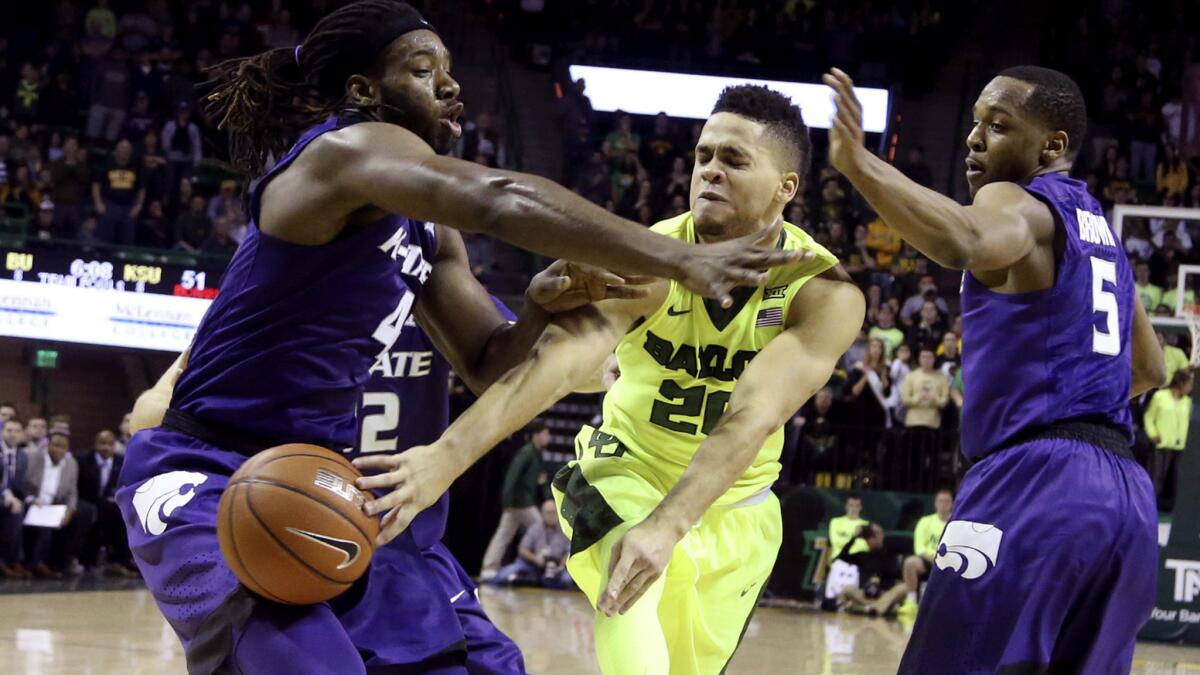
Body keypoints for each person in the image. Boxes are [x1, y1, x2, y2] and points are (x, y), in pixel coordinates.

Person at [114, 3, 798, 673]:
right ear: (362, 91)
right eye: (421, 70)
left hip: (326, 478)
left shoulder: (430, 231)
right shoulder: (341, 153)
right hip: (208, 471)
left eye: (449, 69)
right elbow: (498, 195)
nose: (450, 85)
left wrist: (533, 306)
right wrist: (678, 257)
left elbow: (486, 362)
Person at [357, 84, 864, 674]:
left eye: (734, 159)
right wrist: (444, 458)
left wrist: (671, 524)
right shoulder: (649, 261)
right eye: (704, 156)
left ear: (786, 188)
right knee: (629, 596)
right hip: (622, 471)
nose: (710, 172)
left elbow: (751, 417)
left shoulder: (823, 295)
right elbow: (557, 364)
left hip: (735, 509)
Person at [826, 65, 1165, 673]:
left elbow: (965, 240)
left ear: (1051, 146)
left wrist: (859, 164)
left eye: (999, 126)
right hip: (1125, 497)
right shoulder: (1102, 232)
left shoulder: (1015, 200)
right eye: (976, 122)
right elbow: (1149, 366)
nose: (975, 138)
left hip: (1036, 481)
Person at [480, 420, 551, 580]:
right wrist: (507, 501)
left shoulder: (536, 454)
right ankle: (546, 566)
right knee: (541, 528)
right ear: (536, 435)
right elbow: (512, 476)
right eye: (545, 434)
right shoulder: (526, 453)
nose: (548, 437)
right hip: (521, 503)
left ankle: (488, 568)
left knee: (503, 534)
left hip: (518, 503)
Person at [23, 430, 94, 579]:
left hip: (55, 506)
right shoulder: (33, 458)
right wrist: (31, 499)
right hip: (33, 502)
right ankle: (36, 563)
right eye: (55, 445)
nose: (59, 450)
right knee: (45, 522)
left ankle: (61, 561)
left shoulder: (71, 463)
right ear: (48, 445)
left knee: (85, 512)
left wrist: (70, 511)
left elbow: (72, 493)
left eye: (63, 447)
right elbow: (22, 486)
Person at [77, 430, 136, 577]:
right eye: (102, 443)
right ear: (96, 444)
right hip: (86, 502)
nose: (106, 447)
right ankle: (86, 560)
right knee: (91, 512)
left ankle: (120, 561)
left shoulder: (121, 461)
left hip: (110, 505)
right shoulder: (82, 460)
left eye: (110, 444)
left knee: (120, 513)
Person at [896, 488, 954, 620]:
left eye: (947, 501)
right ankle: (911, 602)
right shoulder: (925, 521)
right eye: (940, 501)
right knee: (910, 562)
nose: (943, 504)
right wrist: (930, 557)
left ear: (952, 504)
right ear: (935, 503)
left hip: (950, 562)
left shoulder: (956, 524)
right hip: (928, 561)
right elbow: (919, 546)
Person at [490, 499, 573, 589]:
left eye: (554, 512)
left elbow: (569, 551)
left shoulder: (565, 530)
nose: (551, 515)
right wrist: (535, 559)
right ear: (542, 514)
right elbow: (522, 549)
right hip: (534, 564)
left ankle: (540, 581)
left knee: (567, 580)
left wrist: (561, 565)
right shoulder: (535, 528)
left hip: (556, 567)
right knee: (503, 575)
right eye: (548, 512)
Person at [1144, 370, 1193, 512]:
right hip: (1161, 444)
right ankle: (1148, 509)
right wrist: (1153, 433)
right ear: (1181, 383)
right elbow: (1149, 417)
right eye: (1189, 384)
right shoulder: (1160, 396)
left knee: (1179, 481)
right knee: (1156, 479)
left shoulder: (1188, 402)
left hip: (1181, 447)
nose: (1190, 388)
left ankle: (1179, 511)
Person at [833, 522, 905, 617]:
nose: (874, 538)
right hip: (864, 595)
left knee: (903, 587)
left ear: (882, 535)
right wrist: (854, 538)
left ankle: (865, 608)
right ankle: (875, 608)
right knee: (847, 589)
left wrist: (878, 577)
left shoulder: (889, 554)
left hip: (884, 594)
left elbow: (896, 574)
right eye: (871, 535)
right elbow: (842, 556)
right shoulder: (862, 556)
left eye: (877, 534)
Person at [0, 419, 29, 577]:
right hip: (3, 495)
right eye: (9, 430)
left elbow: (20, 486)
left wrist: (32, 498)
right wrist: (6, 494)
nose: (13, 434)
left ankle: (23, 560)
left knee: (25, 508)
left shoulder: (23, 456)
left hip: (12, 497)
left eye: (17, 431)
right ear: (2, 432)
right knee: (13, 510)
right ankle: (8, 560)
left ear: (22, 434)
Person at [828, 494, 869, 558]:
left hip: (857, 562)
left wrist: (845, 541)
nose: (854, 508)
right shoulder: (835, 522)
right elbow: (835, 542)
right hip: (838, 561)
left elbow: (864, 546)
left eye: (857, 506)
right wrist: (855, 541)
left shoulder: (866, 525)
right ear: (846, 506)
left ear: (861, 507)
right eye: (851, 505)